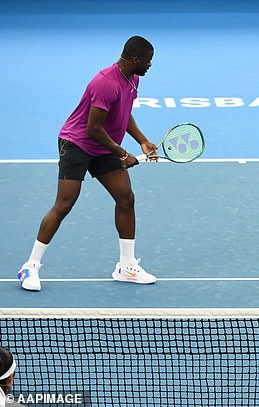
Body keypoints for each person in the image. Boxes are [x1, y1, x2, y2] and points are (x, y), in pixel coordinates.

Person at [17, 36, 158, 291]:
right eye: (148, 61)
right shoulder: (105, 82)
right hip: (78, 144)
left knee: (125, 197)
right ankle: (30, 266)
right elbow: (93, 128)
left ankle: (126, 266)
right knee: (64, 204)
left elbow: (123, 113)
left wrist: (143, 141)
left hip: (104, 147)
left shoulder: (132, 79)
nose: (149, 65)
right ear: (135, 59)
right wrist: (122, 153)